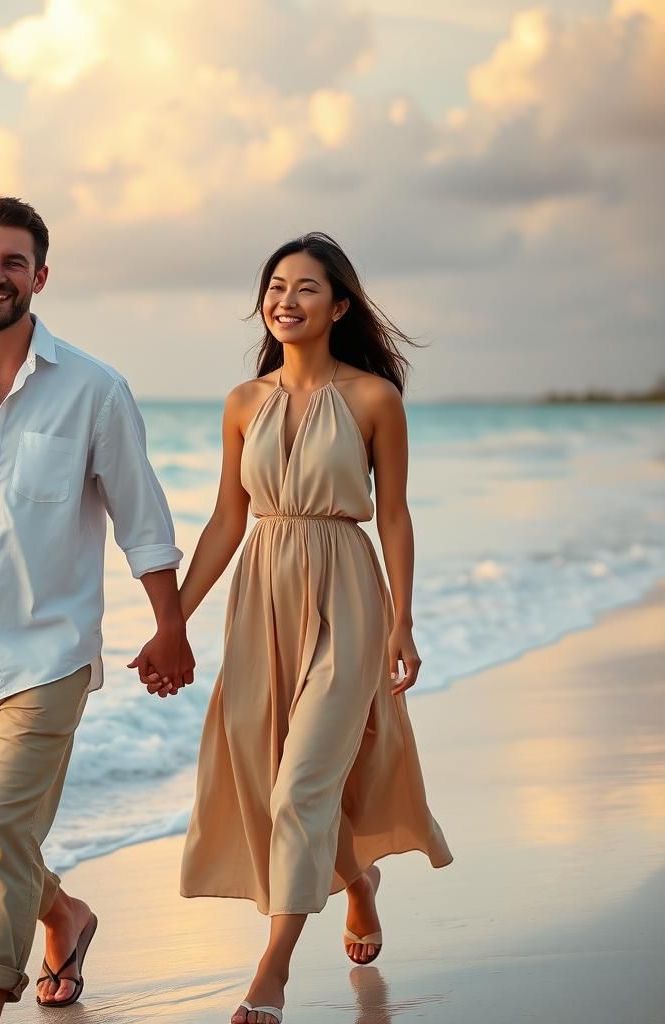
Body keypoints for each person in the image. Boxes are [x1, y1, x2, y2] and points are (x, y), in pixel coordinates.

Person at [0, 196, 195, 1024]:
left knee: (0, 830)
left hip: (49, 651)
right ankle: (64, 914)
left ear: (40, 276)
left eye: (13, 262)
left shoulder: (93, 390)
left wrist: (170, 625)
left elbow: (142, 518)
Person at [141, 233, 452, 1024]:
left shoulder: (376, 398)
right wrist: (172, 619)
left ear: (339, 305)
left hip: (347, 596)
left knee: (302, 782)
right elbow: (225, 520)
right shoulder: (244, 403)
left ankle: (271, 972)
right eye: (276, 286)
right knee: (271, 775)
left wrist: (403, 621)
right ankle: (357, 880)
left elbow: (395, 514)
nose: (286, 299)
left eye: (306, 288)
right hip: (262, 599)